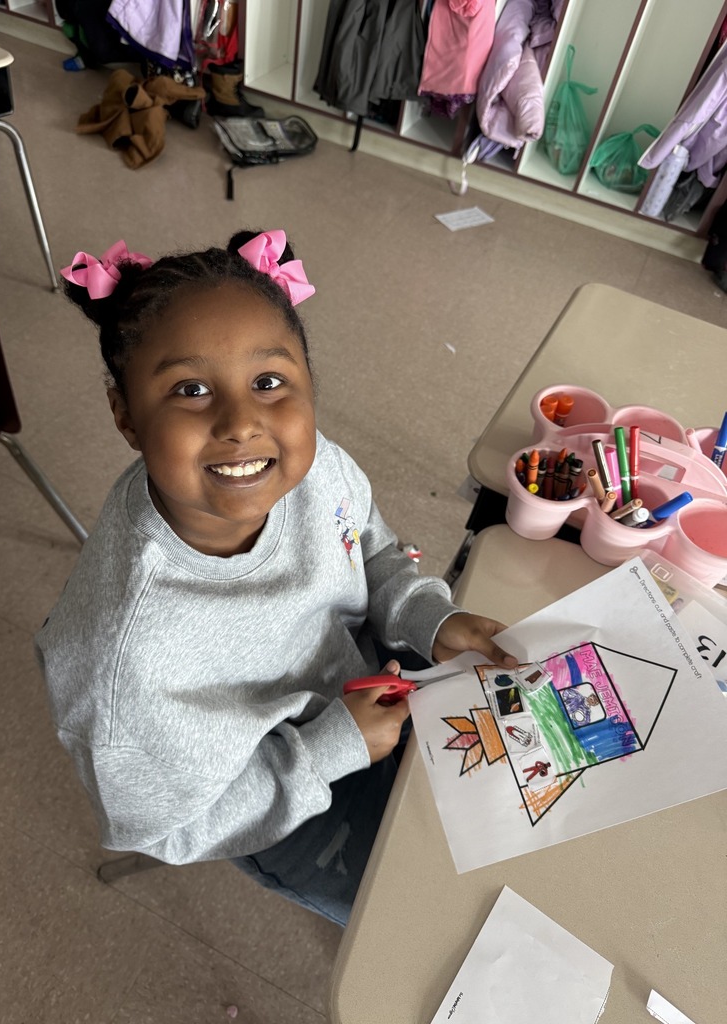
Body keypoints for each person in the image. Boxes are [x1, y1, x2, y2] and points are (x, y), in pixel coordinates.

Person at [35, 229, 515, 926]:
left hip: (364, 690)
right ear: (125, 416)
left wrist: (425, 615)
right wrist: (330, 752)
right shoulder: (120, 662)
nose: (243, 424)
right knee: (408, 915)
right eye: (190, 390)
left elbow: (370, 543)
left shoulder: (315, 467)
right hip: (283, 799)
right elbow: (163, 829)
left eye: (269, 382)